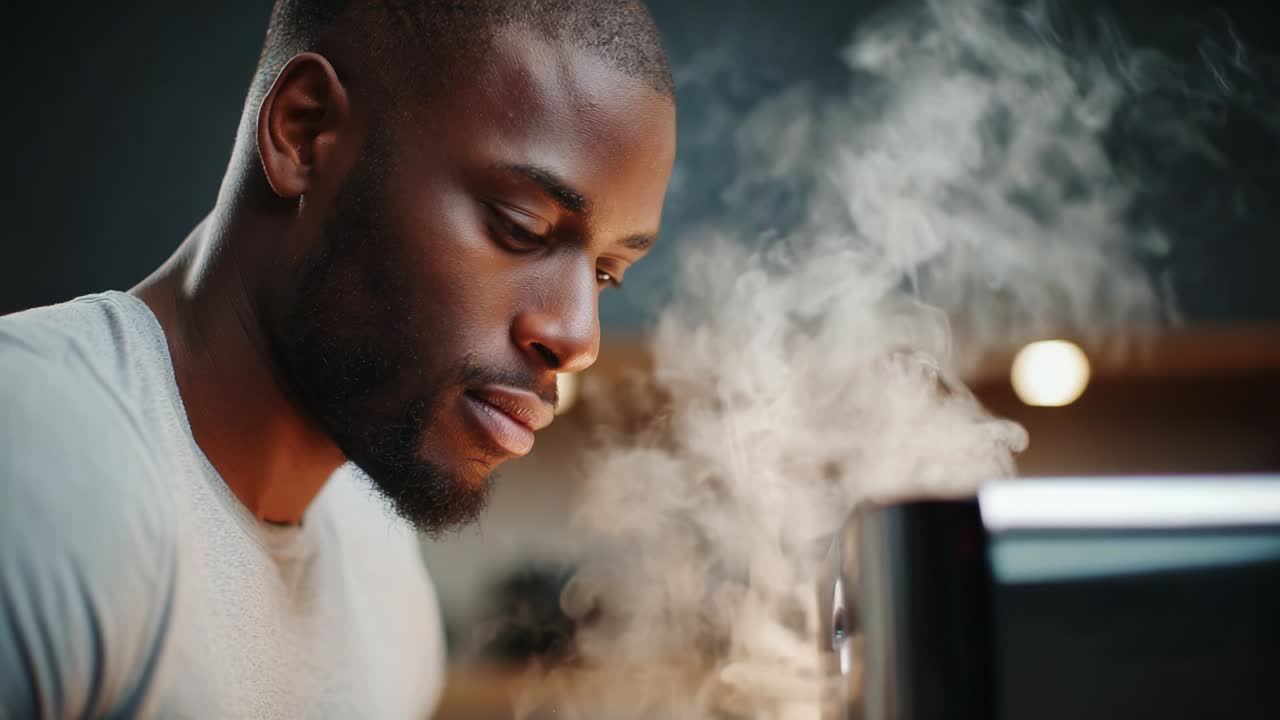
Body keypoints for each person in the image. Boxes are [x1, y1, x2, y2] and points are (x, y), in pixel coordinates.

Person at [0, 0, 676, 716]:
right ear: (305, 132)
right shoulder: (37, 461)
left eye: (606, 274)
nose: (578, 338)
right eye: (521, 226)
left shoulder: (388, 589)